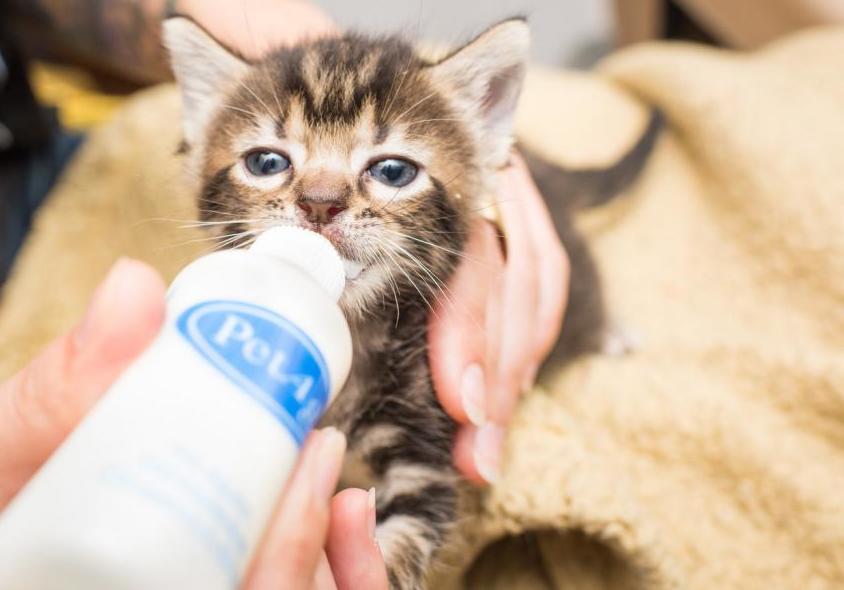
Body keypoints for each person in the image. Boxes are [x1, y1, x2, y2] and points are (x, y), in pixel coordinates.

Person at [0, 1, 569, 587]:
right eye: (269, 162)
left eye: (391, 170)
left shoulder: (409, 338)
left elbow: (420, 500)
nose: (321, 200)